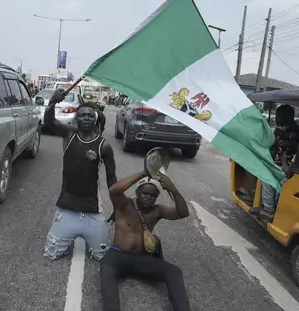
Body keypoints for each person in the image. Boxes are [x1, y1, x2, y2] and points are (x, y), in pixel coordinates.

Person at [101, 169, 191, 311]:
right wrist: (144, 173)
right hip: (118, 255)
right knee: (106, 270)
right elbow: (114, 191)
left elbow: (183, 213)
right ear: (137, 193)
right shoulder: (125, 204)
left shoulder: (157, 211)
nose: (149, 197)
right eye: (145, 193)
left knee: (174, 272)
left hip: (141, 258)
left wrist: (172, 188)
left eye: (153, 195)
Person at [43, 89, 117, 261]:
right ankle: (67, 235)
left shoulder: (103, 146)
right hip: (67, 209)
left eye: (90, 116)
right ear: (76, 119)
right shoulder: (68, 135)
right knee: (51, 254)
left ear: (95, 119)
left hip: (92, 212)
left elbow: (112, 179)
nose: (86, 118)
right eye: (82, 115)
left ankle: (89, 236)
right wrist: (52, 103)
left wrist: (117, 206)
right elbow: (49, 122)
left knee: (102, 257)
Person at [251, 104, 299, 220]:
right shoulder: (280, 130)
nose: (275, 118)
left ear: (286, 117)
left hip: (288, 167)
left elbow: (291, 149)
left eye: (278, 116)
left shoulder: (295, 132)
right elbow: (272, 144)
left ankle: (269, 210)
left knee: (267, 178)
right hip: (279, 163)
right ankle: (259, 198)